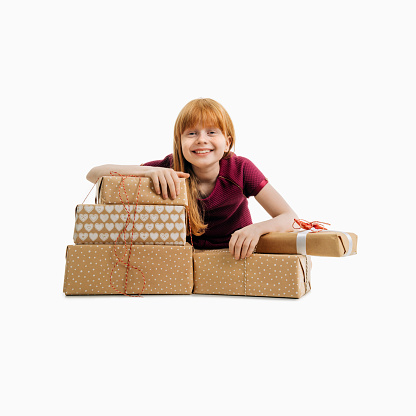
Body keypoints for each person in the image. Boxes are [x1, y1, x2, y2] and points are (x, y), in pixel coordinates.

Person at [86, 98, 298, 260]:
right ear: (179, 143)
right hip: (183, 263)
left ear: (227, 143)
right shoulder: (170, 167)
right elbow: (94, 174)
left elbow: (291, 217)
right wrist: (147, 172)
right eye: (192, 133)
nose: (202, 140)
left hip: (234, 258)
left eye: (212, 132)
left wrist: (257, 229)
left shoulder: (241, 169)